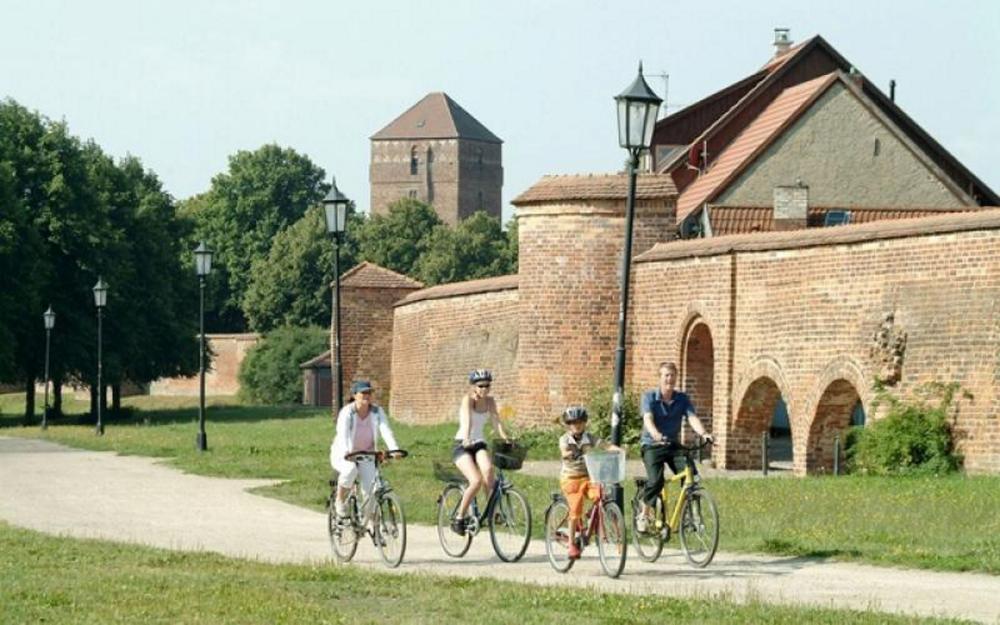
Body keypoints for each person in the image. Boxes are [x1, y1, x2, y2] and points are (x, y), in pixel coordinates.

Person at [636, 361, 713, 531]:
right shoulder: (649, 397)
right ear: (660, 378)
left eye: (672, 375)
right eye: (666, 375)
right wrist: (655, 434)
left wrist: (704, 434)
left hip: (672, 444)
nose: (669, 379)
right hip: (652, 445)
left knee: (691, 476)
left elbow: (692, 417)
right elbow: (647, 419)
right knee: (656, 481)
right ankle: (644, 512)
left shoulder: (681, 399)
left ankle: (692, 517)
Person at [329, 380, 402, 520]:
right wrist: (346, 452)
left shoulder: (377, 411)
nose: (366, 396)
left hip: (366, 454)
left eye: (369, 393)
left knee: (371, 491)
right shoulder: (347, 412)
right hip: (344, 453)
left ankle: (368, 521)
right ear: (355, 395)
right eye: (363, 393)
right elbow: (342, 433)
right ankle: (339, 500)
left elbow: (386, 430)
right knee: (350, 470)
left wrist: (394, 449)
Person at [450, 369, 511, 533]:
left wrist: (505, 437)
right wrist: (467, 437)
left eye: (487, 385)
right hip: (462, 444)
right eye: (481, 386)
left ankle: (492, 512)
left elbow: (496, 421)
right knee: (475, 480)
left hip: (479, 443)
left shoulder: (490, 401)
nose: (485, 389)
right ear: (474, 387)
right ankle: (459, 517)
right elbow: (468, 419)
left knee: (489, 471)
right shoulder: (467, 400)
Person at [558, 406, 621, 560]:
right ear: (568, 424)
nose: (576, 425)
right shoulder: (565, 439)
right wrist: (571, 453)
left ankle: (593, 516)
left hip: (587, 477)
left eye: (579, 422)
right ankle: (572, 544)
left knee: (600, 495)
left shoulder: (589, 437)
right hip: (571, 479)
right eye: (572, 423)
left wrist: (618, 450)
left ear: (585, 423)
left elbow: (604, 445)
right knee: (576, 506)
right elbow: (564, 452)